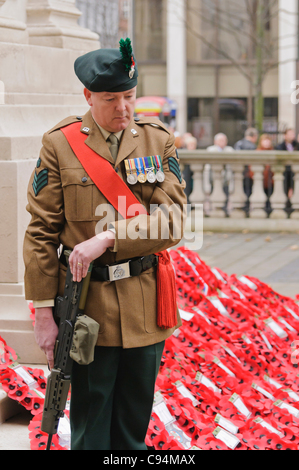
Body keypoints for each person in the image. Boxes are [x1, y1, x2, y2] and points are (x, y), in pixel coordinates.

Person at [23, 39, 187, 450]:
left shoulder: (157, 140)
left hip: (144, 303)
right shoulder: (60, 144)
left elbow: (173, 222)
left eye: (129, 96)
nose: (123, 108)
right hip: (86, 307)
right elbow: (41, 232)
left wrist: (108, 237)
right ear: (88, 96)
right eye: (110, 98)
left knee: (133, 429)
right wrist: (44, 315)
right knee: (90, 430)